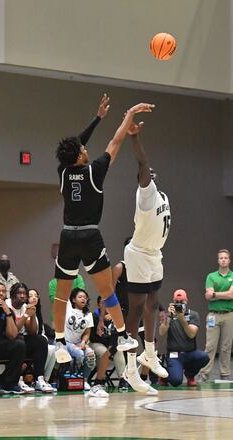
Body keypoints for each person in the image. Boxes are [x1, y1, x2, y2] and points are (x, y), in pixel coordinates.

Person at [52, 95, 151, 365]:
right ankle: (121, 335)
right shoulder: (94, 171)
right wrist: (128, 114)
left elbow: (74, 144)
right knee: (107, 291)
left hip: (67, 235)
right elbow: (116, 140)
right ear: (80, 155)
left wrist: (97, 119)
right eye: (82, 149)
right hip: (90, 235)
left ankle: (59, 341)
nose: (86, 149)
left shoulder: (63, 172)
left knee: (62, 295)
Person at [120, 121, 171, 393]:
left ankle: (149, 353)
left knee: (154, 304)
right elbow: (142, 161)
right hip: (138, 253)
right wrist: (134, 136)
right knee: (137, 308)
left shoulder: (161, 195)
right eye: (145, 172)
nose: (149, 172)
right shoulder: (145, 194)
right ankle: (130, 366)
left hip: (154, 254)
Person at [199, 249, 233, 382]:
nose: (223, 260)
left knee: (226, 346)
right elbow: (207, 295)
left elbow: (231, 295)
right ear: (218, 260)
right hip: (213, 315)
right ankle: (204, 374)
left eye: (226, 258)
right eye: (221, 258)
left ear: (229, 260)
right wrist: (218, 295)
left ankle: (225, 374)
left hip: (230, 314)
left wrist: (215, 294)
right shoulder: (211, 276)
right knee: (210, 346)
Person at [6, 282, 50, 393]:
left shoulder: (25, 306)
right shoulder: (7, 306)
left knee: (40, 340)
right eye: (19, 293)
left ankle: (38, 379)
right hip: (7, 339)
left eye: (24, 293)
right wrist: (26, 315)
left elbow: (33, 332)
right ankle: (18, 379)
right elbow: (13, 332)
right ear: (12, 295)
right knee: (20, 341)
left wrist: (33, 314)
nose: (22, 296)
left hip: (21, 338)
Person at [159, 289, 207, 387]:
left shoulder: (193, 315)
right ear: (173, 302)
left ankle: (190, 375)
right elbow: (161, 332)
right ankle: (164, 375)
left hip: (190, 352)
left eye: (182, 302)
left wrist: (182, 320)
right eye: (177, 302)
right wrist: (168, 318)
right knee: (176, 381)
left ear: (186, 301)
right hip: (174, 354)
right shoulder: (168, 315)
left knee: (204, 357)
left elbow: (192, 334)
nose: (179, 304)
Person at [90, 295, 125, 395]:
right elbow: (93, 336)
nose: (105, 305)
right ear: (98, 304)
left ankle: (123, 379)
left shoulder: (114, 316)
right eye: (102, 303)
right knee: (104, 352)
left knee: (118, 351)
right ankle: (101, 380)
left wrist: (113, 321)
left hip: (109, 343)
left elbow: (118, 335)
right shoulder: (94, 316)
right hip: (96, 342)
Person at [63, 288, 98, 391]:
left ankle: (84, 379)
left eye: (85, 297)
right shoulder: (68, 308)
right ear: (73, 300)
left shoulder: (88, 315)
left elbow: (87, 333)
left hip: (79, 342)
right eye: (80, 297)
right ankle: (73, 378)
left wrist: (83, 342)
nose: (83, 299)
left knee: (91, 355)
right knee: (79, 354)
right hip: (66, 342)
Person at [27, 288, 57, 392]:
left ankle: (45, 380)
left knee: (54, 349)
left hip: (39, 342)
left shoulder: (38, 311)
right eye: (31, 295)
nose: (34, 297)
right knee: (46, 346)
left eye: (36, 295)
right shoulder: (25, 309)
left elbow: (41, 330)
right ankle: (38, 379)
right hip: (29, 343)